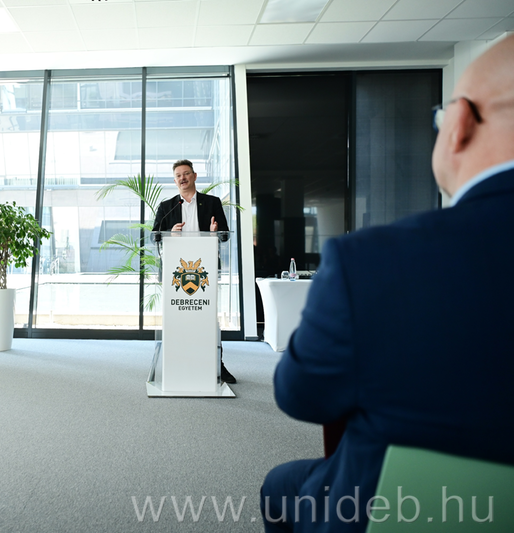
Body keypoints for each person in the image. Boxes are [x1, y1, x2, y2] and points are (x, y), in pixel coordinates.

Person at [260, 34, 514, 532]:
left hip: (390, 509)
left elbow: (300, 395)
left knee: (280, 486)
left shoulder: (370, 262)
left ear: (459, 124)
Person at [152, 159, 235, 384]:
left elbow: (225, 235)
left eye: (186, 173)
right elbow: (154, 236)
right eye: (178, 175)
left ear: (195, 176)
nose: (183, 178)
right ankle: (178, 362)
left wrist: (215, 232)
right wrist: (170, 233)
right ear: (175, 180)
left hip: (205, 272)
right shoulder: (167, 206)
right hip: (175, 273)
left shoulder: (212, 202)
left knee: (208, 319)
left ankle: (217, 365)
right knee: (178, 319)